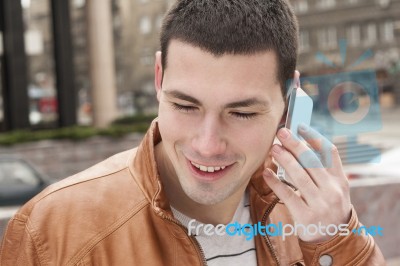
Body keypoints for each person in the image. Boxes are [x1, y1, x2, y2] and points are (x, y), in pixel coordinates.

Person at [0, 0, 384, 265]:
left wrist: (335, 242)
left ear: (290, 99)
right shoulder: (52, 231)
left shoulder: (319, 220)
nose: (207, 144)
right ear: (158, 78)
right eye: (185, 106)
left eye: (242, 112)